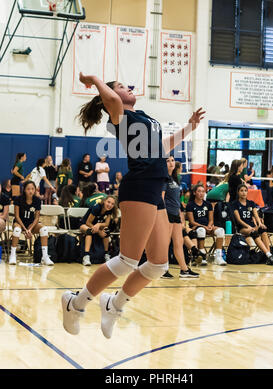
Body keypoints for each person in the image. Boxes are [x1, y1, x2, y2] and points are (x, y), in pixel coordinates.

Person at [61, 72, 205, 339]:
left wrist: (190, 128)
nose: (126, 88)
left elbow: (161, 147)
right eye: (120, 87)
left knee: (158, 264)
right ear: (110, 98)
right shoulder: (119, 115)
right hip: (138, 185)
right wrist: (93, 78)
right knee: (128, 260)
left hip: (155, 187)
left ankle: (113, 305)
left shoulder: (144, 118)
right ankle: (75, 303)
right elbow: (113, 98)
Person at [162, 155, 199, 279]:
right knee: (165, 243)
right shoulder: (164, 178)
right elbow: (161, 198)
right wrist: (162, 216)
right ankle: (163, 269)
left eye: (172, 160)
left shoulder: (174, 179)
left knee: (179, 243)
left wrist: (181, 216)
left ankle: (184, 270)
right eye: (168, 161)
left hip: (175, 215)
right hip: (167, 215)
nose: (171, 163)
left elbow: (177, 201)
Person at [8, 180, 54, 266]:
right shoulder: (18, 199)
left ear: (35, 190)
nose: (31, 191)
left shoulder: (37, 200)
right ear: (24, 190)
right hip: (19, 223)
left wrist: (30, 229)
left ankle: (45, 257)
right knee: (17, 230)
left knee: (44, 229)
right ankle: (13, 255)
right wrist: (25, 230)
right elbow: (17, 216)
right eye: (28, 189)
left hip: (31, 224)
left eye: (32, 189)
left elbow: (37, 218)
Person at [231, 185, 273, 265]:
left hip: (252, 226)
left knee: (263, 230)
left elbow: (256, 215)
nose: (243, 192)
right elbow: (238, 219)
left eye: (245, 190)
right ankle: (269, 255)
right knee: (254, 232)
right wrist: (248, 226)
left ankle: (268, 256)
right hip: (242, 228)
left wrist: (260, 224)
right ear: (238, 192)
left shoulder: (251, 203)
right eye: (241, 190)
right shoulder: (235, 204)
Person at [186, 184, 227, 266]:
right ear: (194, 193)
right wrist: (204, 227)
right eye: (199, 191)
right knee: (201, 230)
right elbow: (191, 221)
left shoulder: (208, 204)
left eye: (203, 191)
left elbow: (211, 219)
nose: (201, 193)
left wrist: (209, 225)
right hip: (196, 227)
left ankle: (218, 256)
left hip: (207, 226)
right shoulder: (190, 205)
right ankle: (202, 255)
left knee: (220, 231)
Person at [80, 196, 118, 266]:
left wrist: (99, 224)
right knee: (89, 231)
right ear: (104, 201)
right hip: (85, 224)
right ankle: (86, 256)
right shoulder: (97, 207)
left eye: (112, 204)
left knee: (106, 231)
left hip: (96, 226)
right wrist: (99, 231)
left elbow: (106, 224)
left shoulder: (109, 210)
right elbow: (88, 223)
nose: (110, 205)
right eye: (108, 202)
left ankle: (106, 255)